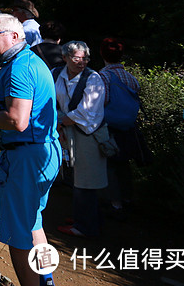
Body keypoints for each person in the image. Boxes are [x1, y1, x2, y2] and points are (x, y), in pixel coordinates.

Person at [0, 13, 60, 286]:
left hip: (26, 156)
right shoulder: (23, 61)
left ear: (14, 36)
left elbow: (17, 120)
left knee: (19, 232)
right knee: (33, 223)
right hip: (37, 151)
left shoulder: (19, 67)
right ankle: (46, 280)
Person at [53, 40, 108, 238]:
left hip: (87, 133)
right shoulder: (56, 73)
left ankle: (86, 226)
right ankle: (82, 217)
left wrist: (60, 122)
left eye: (85, 58)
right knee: (75, 177)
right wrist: (58, 122)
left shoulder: (93, 78)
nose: (82, 62)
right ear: (65, 57)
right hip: (65, 130)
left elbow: (87, 112)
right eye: (77, 58)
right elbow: (51, 100)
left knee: (87, 180)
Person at [98, 37, 141, 219]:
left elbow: (102, 102)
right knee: (124, 164)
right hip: (128, 127)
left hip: (109, 126)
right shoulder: (131, 77)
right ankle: (128, 200)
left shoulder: (103, 76)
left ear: (102, 54)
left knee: (109, 164)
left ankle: (115, 204)